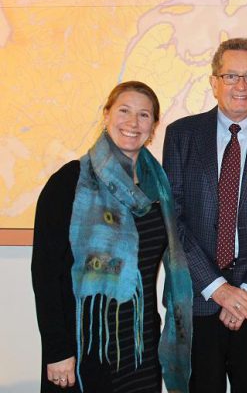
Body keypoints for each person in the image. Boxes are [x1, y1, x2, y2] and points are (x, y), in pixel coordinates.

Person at [31, 81, 193, 393]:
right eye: (124, 111)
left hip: (141, 341)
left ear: (153, 126)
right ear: (107, 115)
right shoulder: (70, 183)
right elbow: (46, 274)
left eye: (144, 115)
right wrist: (57, 350)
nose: (133, 123)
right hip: (86, 344)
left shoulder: (157, 188)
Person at [163, 38, 247, 393]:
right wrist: (218, 289)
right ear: (214, 82)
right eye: (231, 76)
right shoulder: (181, 136)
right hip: (198, 297)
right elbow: (171, 220)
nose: (241, 86)